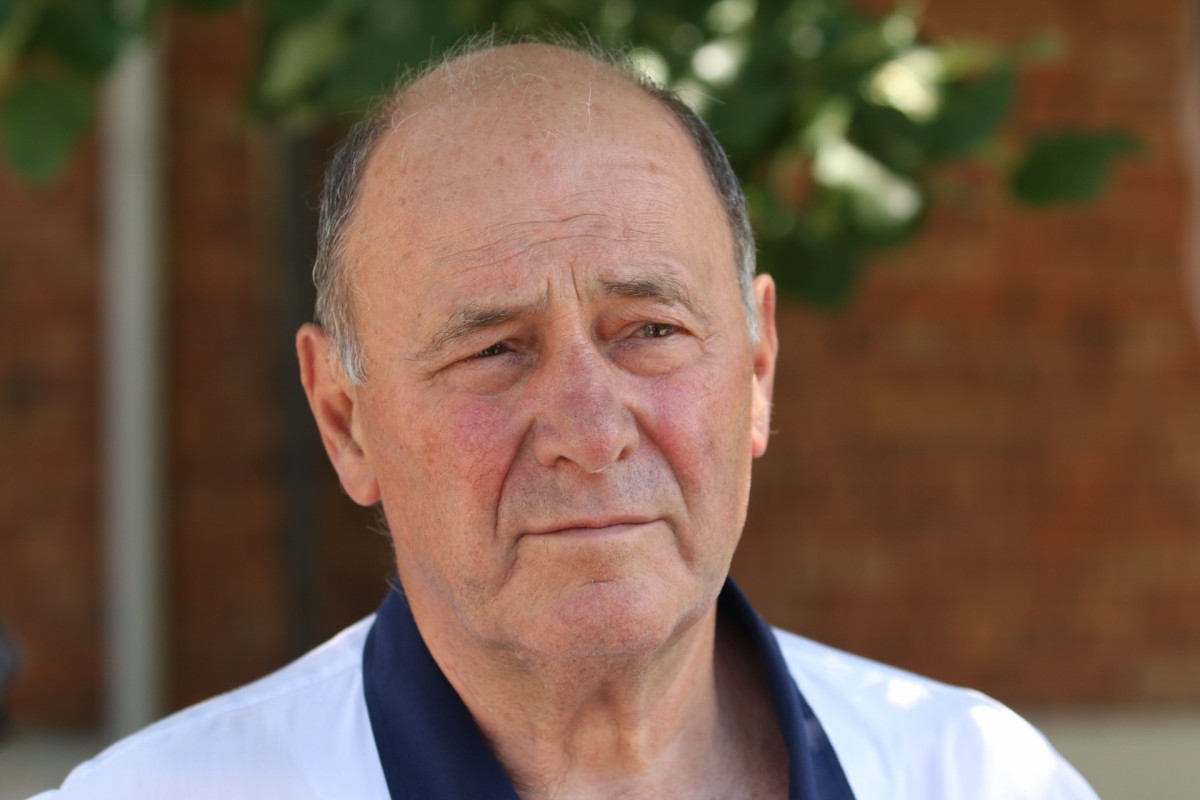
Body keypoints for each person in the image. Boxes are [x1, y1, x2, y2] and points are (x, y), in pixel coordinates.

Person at [35, 38, 1098, 799]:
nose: (592, 432)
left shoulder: (979, 775)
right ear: (345, 419)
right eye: (494, 350)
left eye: (650, 330)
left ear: (758, 365)